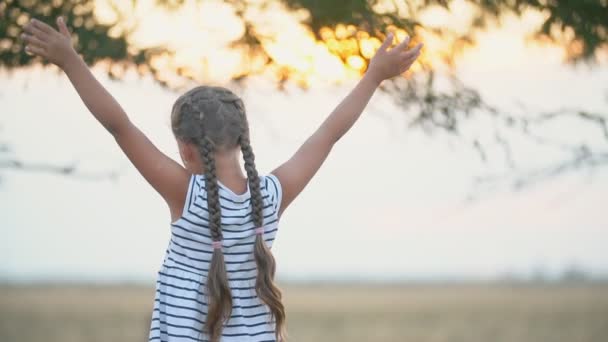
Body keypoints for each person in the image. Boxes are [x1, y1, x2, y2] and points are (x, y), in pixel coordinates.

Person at [21, 16, 423, 342]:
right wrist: (373, 77)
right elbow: (328, 133)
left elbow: (119, 126)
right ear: (241, 138)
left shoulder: (184, 192)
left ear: (185, 149)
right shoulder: (269, 197)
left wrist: (71, 61)